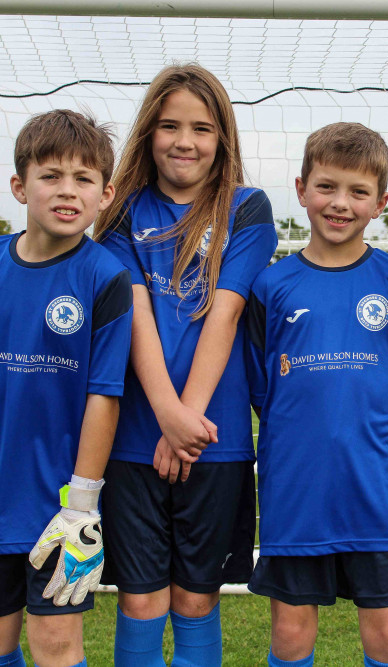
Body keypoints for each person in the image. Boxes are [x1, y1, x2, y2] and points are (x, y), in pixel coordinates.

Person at [0, 109, 133, 667]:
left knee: (57, 648)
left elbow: (103, 395)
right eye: (51, 175)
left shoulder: (106, 278)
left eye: (84, 179)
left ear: (106, 193)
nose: (68, 191)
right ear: (20, 185)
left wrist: (82, 507)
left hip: (55, 511)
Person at [93, 64, 278, 666]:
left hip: (212, 442)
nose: (184, 141)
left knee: (196, 602)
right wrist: (168, 416)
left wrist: (186, 422)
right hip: (133, 443)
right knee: (141, 602)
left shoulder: (246, 209)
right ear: (148, 133)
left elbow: (223, 316)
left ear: (222, 137)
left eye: (201, 128)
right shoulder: (122, 211)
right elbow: (137, 318)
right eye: (169, 125)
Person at [245, 122, 388, 667]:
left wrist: (359, 425)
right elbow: (261, 390)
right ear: (301, 189)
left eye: (358, 192)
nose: (340, 203)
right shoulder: (270, 286)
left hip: (370, 490)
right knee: (293, 633)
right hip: (294, 489)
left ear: (381, 202)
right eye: (326, 187)